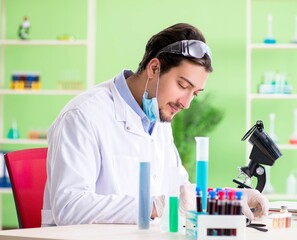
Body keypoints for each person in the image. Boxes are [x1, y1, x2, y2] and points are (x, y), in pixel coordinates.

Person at [42, 23, 268, 226]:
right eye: (182, 85)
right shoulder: (83, 116)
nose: (186, 103)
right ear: (153, 69)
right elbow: (69, 207)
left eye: (195, 93)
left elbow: (182, 195)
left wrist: (228, 201)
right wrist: (154, 207)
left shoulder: (157, 118)